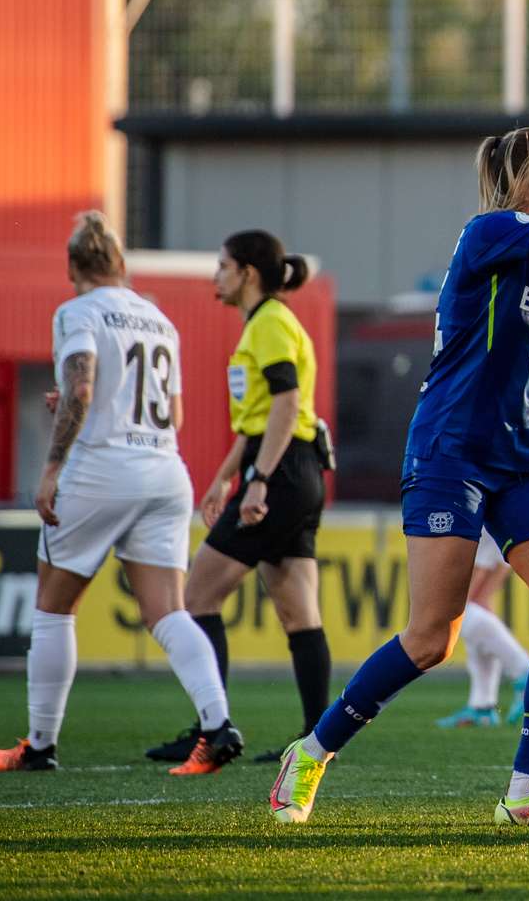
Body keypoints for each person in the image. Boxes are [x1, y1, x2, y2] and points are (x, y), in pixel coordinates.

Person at [268, 126, 529, 827]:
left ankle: (528, 792)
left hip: (524, 459)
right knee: (432, 638)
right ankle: (313, 752)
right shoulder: (490, 232)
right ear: (520, 181)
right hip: (452, 451)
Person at [0, 213, 241, 776]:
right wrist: (90, 407)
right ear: (121, 265)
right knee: (169, 612)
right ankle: (217, 726)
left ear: (73, 267)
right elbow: (170, 411)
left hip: (103, 470)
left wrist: (52, 467)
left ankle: (41, 745)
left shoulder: (76, 311)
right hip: (164, 470)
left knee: (54, 608)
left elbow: (81, 384)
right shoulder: (159, 318)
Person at [151, 229, 330, 765]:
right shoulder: (265, 324)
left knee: (196, 597)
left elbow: (286, 404)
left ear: (248, 273)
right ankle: (320, 740)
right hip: (295, 470)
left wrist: (256, 481)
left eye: (223, 267)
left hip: (280, 473)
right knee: (300, 613)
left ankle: (214, 728)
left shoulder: (270, 323)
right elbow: (260, 422)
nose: (216, 278)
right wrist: (227, 475)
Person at [435, 530, 529, 728]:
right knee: (478, 604)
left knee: (459, 607)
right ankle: (482, 707)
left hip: (484, 509)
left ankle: (526, 673)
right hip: (509, 511)